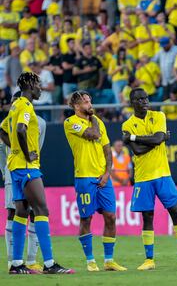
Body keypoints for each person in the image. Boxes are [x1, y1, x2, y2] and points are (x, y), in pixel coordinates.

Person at [0, 72, 73, 274]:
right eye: (39, 85)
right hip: (27, 167)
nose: (41, 88)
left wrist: (14, 148)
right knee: (42, 211)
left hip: (14, 165)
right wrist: (27, 153)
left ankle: (16, 264)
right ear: (30, 84)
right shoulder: (25, 105)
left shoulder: (14, 106)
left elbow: (3, 130)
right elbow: (22, 130)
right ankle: (49, 264)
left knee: (22, 212)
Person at [122, 88, 177, 270]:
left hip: (163, 173)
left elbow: (156, 139)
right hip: (143, 176)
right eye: (140, 99)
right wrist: (157, 140)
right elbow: (139, 150)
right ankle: (149, 260)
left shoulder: (159, 115)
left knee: (175, 212)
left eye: (146, 98)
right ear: (133, 103)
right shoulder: (127, 124)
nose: (145, 101)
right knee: (147, 216)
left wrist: (133, 138)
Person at [64, 91, 126, 272]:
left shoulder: (97, 121)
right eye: (85, 102)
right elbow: (92, 135)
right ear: (76, 106)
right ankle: (90, 260)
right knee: (86, 218)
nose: (90, 104)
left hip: (103, 178)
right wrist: (93, 120)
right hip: (84, 177)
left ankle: (109, 260)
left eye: (90, 100)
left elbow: (107, 149)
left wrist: (108, 173)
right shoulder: (70, 123)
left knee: (111, 217)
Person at [1, 90, 46, 273]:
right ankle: (14, 260)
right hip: (15, 171)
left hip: (27, 168)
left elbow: (37, 145)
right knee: (17, 212)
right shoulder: (9, 123)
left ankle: (30, 260)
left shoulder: (38, 122)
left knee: (33, 211)